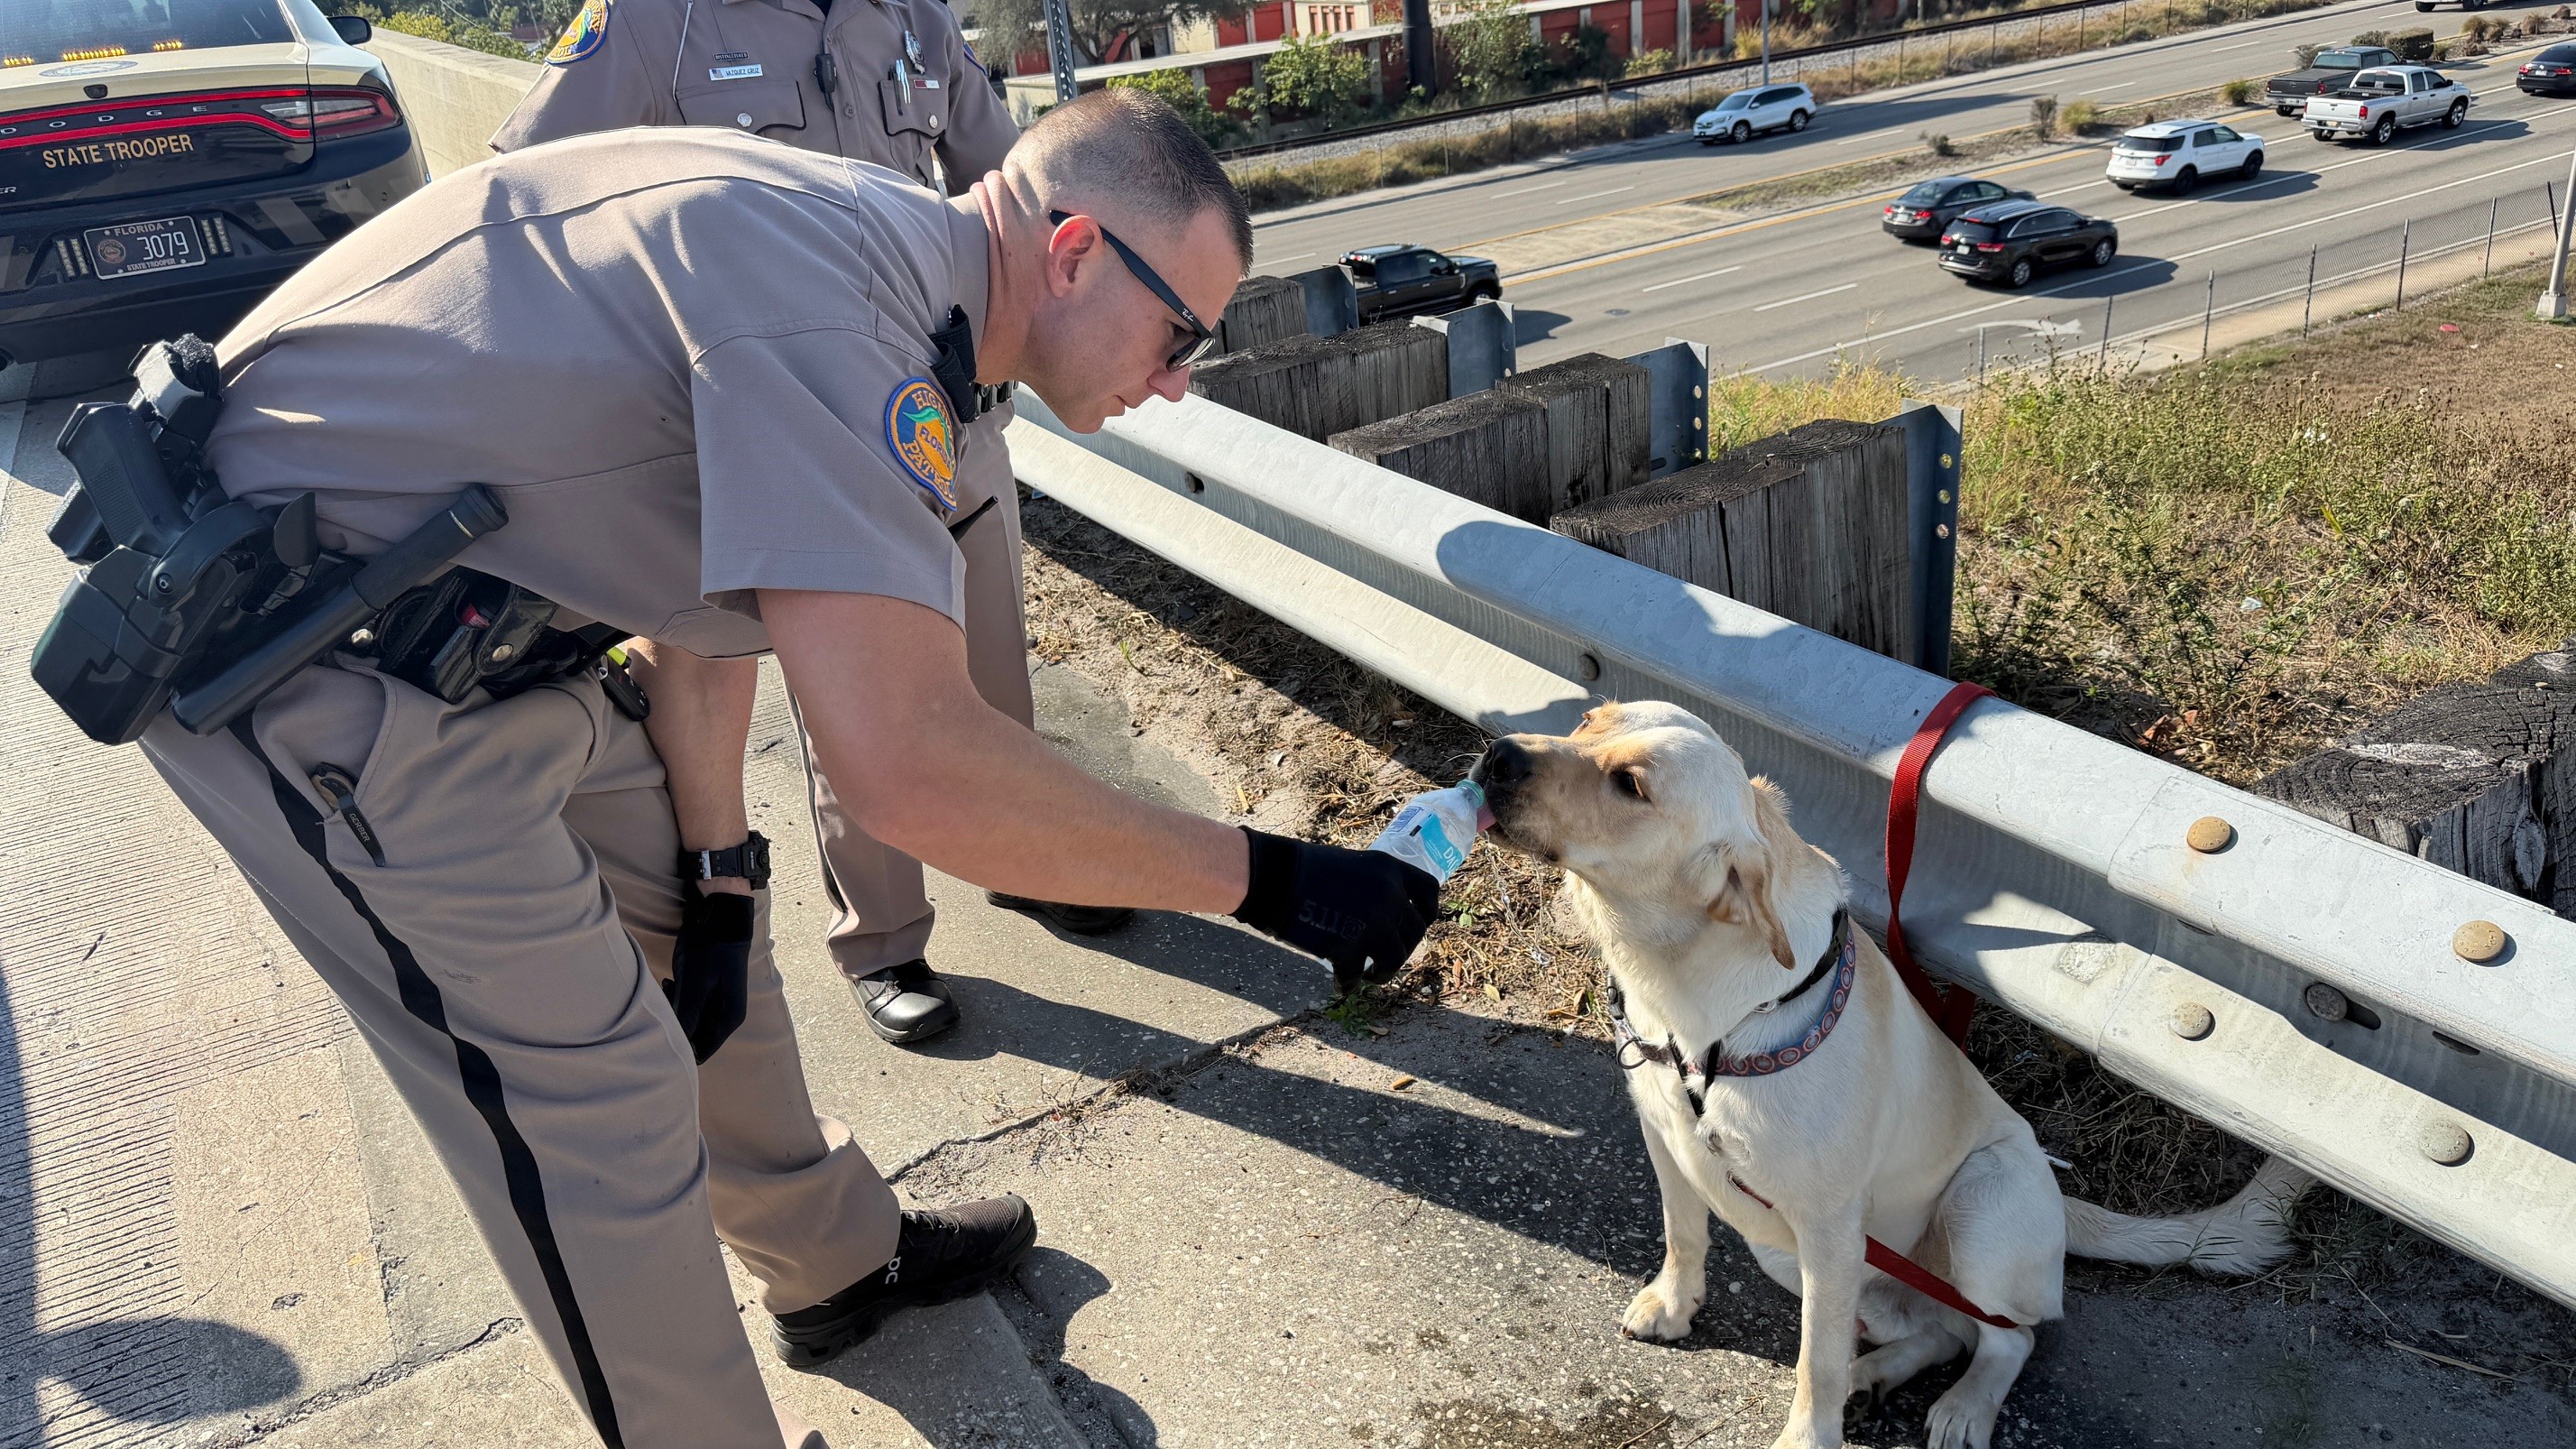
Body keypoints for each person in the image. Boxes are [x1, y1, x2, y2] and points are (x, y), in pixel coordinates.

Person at [123, 92, 1439, 1448]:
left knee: (718, 950)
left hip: (505, 626)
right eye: (1183, 334)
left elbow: (713, 610)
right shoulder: (843, 320)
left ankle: (831, 1261)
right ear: (1077, 249)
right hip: (310, 675)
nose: (1177, 379)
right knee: (597, 1105)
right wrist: (1268, 880)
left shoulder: (893, 274)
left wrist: (718, 874)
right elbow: (914, 766)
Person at [491, 0, 1111, 1047]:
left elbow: (1014, 181)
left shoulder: (909, 13)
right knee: (854, 691)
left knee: (994, 659)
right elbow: (517, 194)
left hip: (948, 403)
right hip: (790, 428)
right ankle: (883, 938)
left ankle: (1023, 858)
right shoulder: (655, 23)